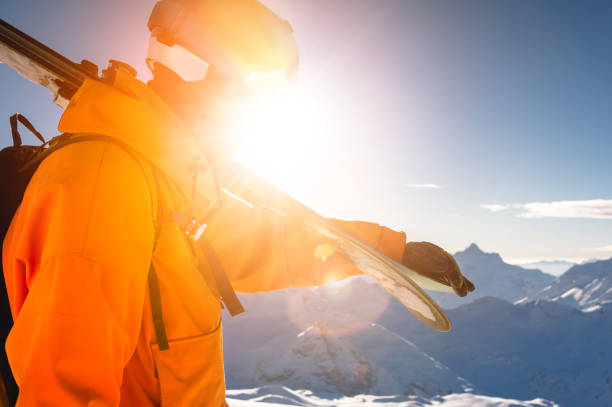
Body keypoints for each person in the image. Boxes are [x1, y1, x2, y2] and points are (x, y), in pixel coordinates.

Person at [1, 0, 474, 405]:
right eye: (258, 87)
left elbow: (263, 245)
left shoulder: (168, 183)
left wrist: (388, 250)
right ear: (205, 70)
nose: (257, 110)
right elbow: (63, 392)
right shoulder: (108, 182)